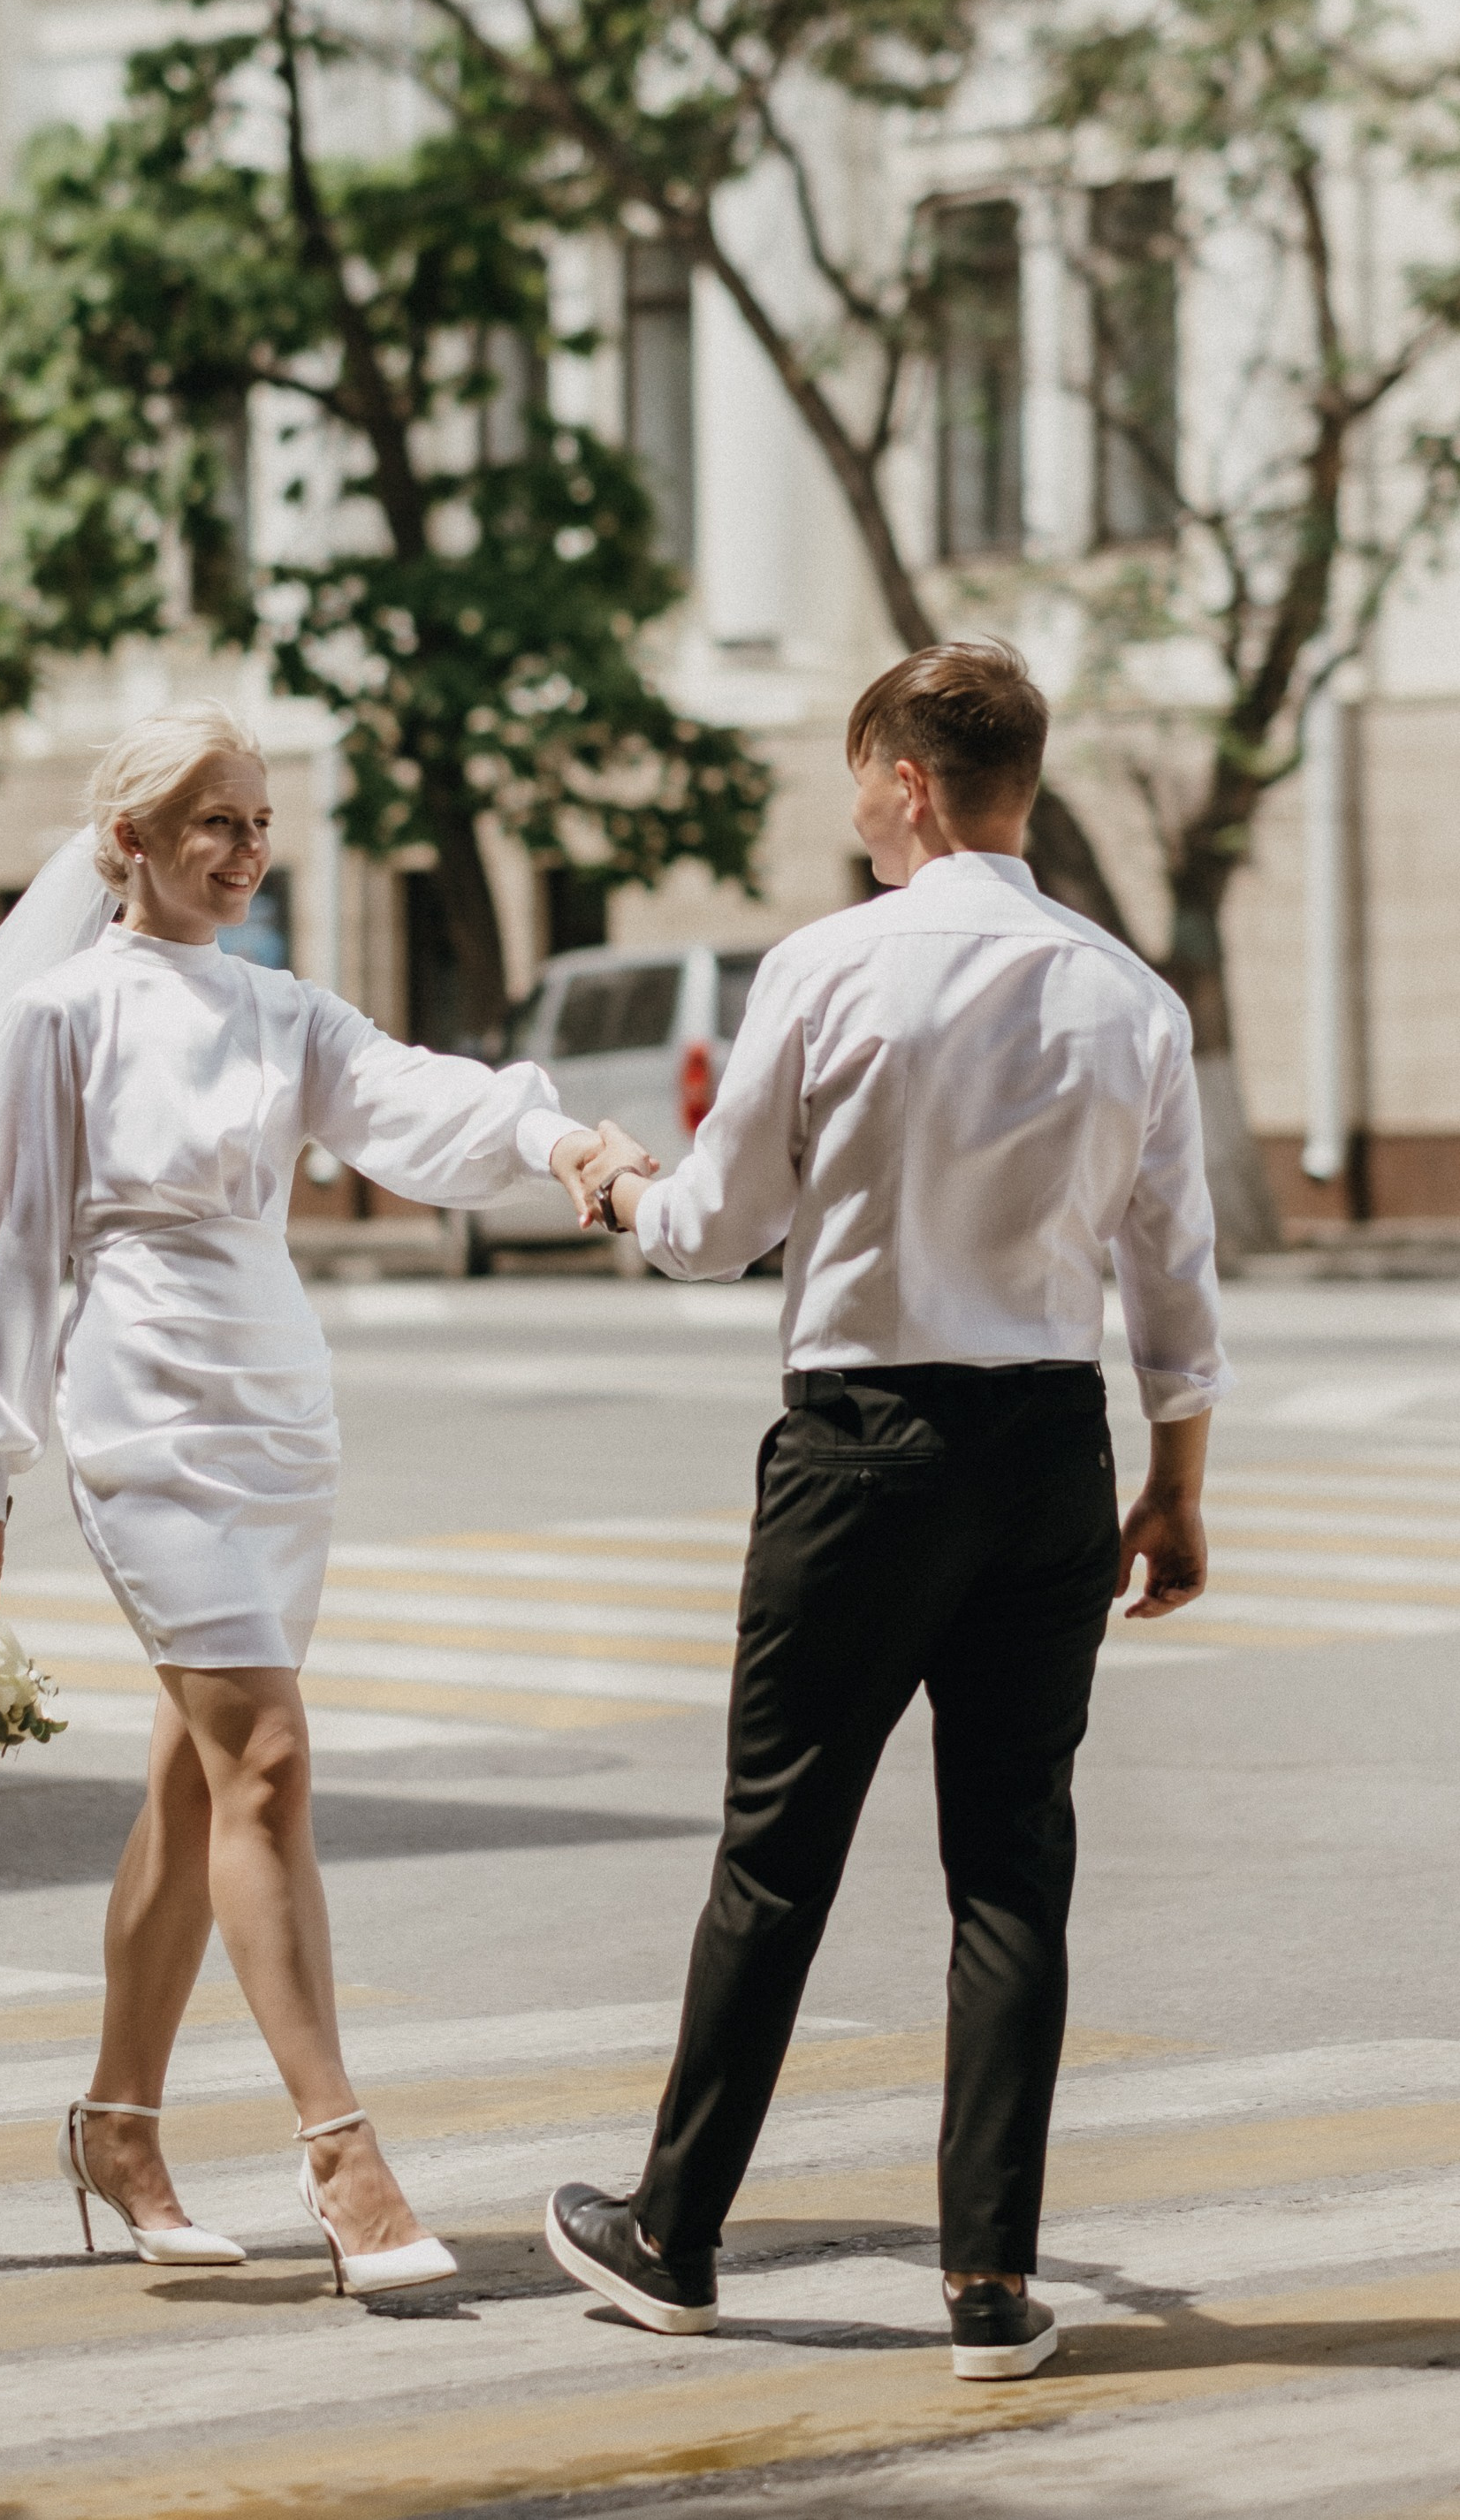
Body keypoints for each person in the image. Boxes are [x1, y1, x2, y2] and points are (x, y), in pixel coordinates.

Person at [545, 640, 1226, 2380]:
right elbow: (1174, 1272)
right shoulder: (1127, 992)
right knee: (1013, 1866)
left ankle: (675, 2237)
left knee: (777, 1851)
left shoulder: (830, 966)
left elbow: (713, 1227)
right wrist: (1178, 1484)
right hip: (1054, 1456)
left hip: (864, 1450)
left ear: (909, 781)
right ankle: (989, 2290)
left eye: (858, 777)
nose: (851, 810)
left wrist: (616, 1176)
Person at [0, 704, 597, 2298]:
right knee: (270, 1761)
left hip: (277, 1407)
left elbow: (423, 1106)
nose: (244, 850)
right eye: (213, 822)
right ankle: (344, 2160)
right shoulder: (59, 1014)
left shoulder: (285, 1011)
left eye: (258, 822)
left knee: (197, 1782)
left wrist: (564, 1135)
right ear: (129, 844)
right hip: (138, 1403)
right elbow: (6, 1245)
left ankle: (117, 2126)